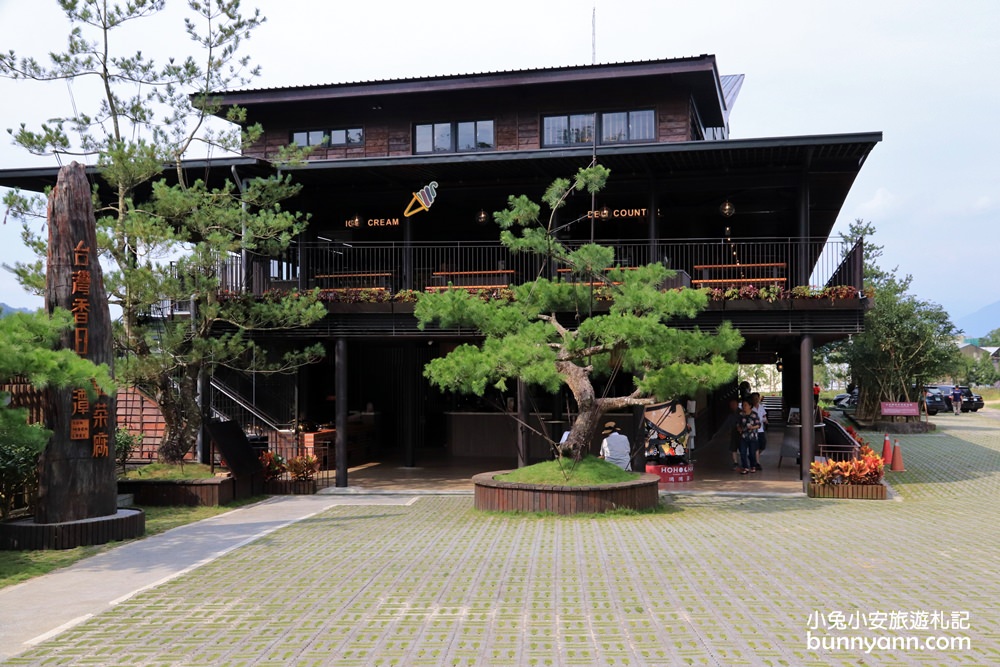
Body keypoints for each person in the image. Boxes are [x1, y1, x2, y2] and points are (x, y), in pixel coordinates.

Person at [735, 399, 762, 474]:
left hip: (752, 437)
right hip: (743, 436)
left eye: (746, 405)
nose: (744, 407)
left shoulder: (754, 414)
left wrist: (752, 427)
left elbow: (758, 425)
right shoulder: (741, 415)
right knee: (742, 452)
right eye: (743, 405)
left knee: (752, 453)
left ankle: (753, 466)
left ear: (750, 406)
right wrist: (739, 429)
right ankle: (745, 467)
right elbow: (738, 424)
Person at [751, 392, 768, 463]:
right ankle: (755, 459)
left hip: (761, 429)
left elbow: (764, 416)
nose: (755, 400)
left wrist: (766, 420)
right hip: (753, 430)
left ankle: (755, 456)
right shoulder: (751, 408)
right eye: (754, 398)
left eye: (757, 398)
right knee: (756, 446)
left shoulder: (761, 407)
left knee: (763, 444)